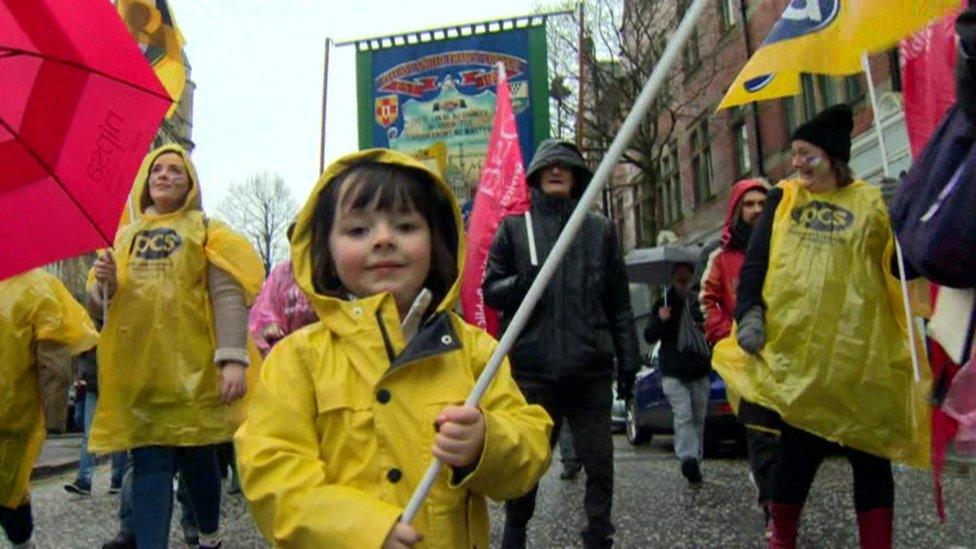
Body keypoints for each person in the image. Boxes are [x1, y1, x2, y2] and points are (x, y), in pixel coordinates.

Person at [235, 149, 552, 548]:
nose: (384, 239)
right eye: (357, 231)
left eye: (405, 226)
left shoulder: (472, 349)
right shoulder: (297, 359)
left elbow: (531, 445)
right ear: (325, 251)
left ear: (436, 242)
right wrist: (363, 530)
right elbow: (273, 474)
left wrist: (486, 443)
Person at [723, 104, 929, 549]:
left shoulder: (871, 205)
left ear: (833, 157)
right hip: (804, 365)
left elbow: (904, 270)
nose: (796, 163)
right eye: (794, 153)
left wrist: (904, 221)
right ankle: (782, 539)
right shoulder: (782, 199)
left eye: (806, 153)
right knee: (795, 459)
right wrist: (749, 312)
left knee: (871, 461)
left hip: (861, 363)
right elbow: (756, 261)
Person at [88, 144, 264, 549]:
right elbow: (101, 307)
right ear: (146, 183)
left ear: (191, 183)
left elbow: (227, 296)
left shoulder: (207, 231)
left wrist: (233, 359)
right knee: (149, 463)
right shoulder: (122, 238)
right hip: (141, 376)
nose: (164, 175)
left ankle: (209, 534)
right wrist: (105, 283)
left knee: (198, 460)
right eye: (157, 170)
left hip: (196, 374)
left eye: (175, 170)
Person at [483, 139, 638, 548]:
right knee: (528, 463)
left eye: (565, 168)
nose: (556, 173)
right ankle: (516, 530)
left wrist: (629, 363)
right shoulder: (516, 230)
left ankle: (599, 533)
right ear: (535, 176)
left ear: (576, 177)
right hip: (533, 371)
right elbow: (490, 291)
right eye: (549, 167)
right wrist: (521, 283)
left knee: (599, 463)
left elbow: (619, 303)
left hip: (590, 368)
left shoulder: (599, 230)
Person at [699, 179, 777, 536]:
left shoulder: (786, 245)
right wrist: (725, 334)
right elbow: (708, 300)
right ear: (737, 210)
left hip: (787, 357)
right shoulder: (721, 258)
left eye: (763, 202)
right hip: (746, 358)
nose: (757, 210)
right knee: (760, 434)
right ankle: (772, 509)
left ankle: (784, 503)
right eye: (749, 204)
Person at [0, 269, 98, 549]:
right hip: (14, 413)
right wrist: (54, 418)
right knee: (10, 485)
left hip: (12, 412)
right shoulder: (38, 288)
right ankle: (23, 541)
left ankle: (22, 538)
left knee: (10, 489)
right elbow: (54, 362)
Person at [644, 263, 711, 486]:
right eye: (680, 281)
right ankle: (688, 459)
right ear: (673, 280)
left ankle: (695, 459)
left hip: (698, 370)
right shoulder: (664, 304)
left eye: (687, 280)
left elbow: (708, 328)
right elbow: (649, 335)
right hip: (674, 372)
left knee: (698, 418)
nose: (684, 286)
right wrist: (661, 319)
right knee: (684, 415)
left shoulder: (699, 302)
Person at [63, 324, 127, 497]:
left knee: (117, 432)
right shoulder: (88, 323)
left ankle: (117, 478)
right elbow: (81, 351)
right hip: (94, 384)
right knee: (89, 433)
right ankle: (85, 480)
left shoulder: (120, 316)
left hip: (115, 382)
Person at [248, 222, 317, 357]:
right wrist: (270, 326)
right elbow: (266, 306)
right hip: (285, 354)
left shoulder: (333, 272)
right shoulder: (282, 273)